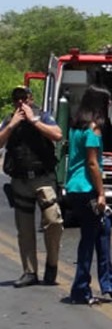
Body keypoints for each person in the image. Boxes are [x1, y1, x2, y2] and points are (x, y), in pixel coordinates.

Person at [66, 85, 112, 305]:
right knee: (89, 239)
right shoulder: (93, 129)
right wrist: (101, 193)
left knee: (103, 230)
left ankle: (109, 285)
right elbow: (92, 163)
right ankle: (80, 290)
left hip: (74, 187)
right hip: (87, 189)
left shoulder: (76, 127)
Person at [0, 86, 63, 288]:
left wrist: (33, 121)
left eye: (23, 98)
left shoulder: (42, 116)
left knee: (53, 221)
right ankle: (30, 272)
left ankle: (51, 265)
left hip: (42, 179)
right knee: (25, 230)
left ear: (31, 98)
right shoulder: (10, 120)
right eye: (16, 99)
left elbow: (57, 135)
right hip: (20, 181)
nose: (20, 102)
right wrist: (12, 125)